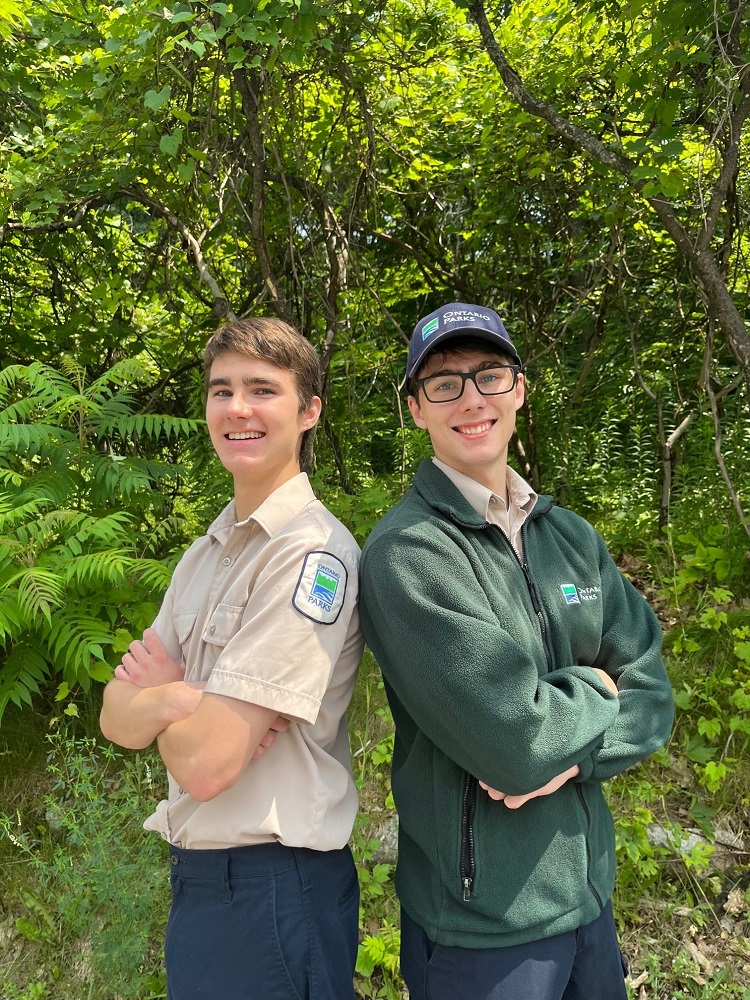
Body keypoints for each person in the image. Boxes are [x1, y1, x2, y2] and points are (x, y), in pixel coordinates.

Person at [358, 302, 674, 1000]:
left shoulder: (571, 539)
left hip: (589, 900)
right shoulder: (408, 554)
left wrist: (570, 758)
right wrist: (598, 686)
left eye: (490, 375)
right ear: (416, 409)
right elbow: (516, 743)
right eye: (444, 383)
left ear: (520, 390)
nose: (471, 398)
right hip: (482, 930)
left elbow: (653, 697)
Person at [100, 317, 363, 1000]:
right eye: (222, 391)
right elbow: (114, 717)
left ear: (308, 412)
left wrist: (165, 700)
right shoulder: (205, 553)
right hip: (201, 885)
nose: (238, 409)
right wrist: (180, 698)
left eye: (262, 390)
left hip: (276, 892)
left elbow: (207, 764)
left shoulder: (310, 554)